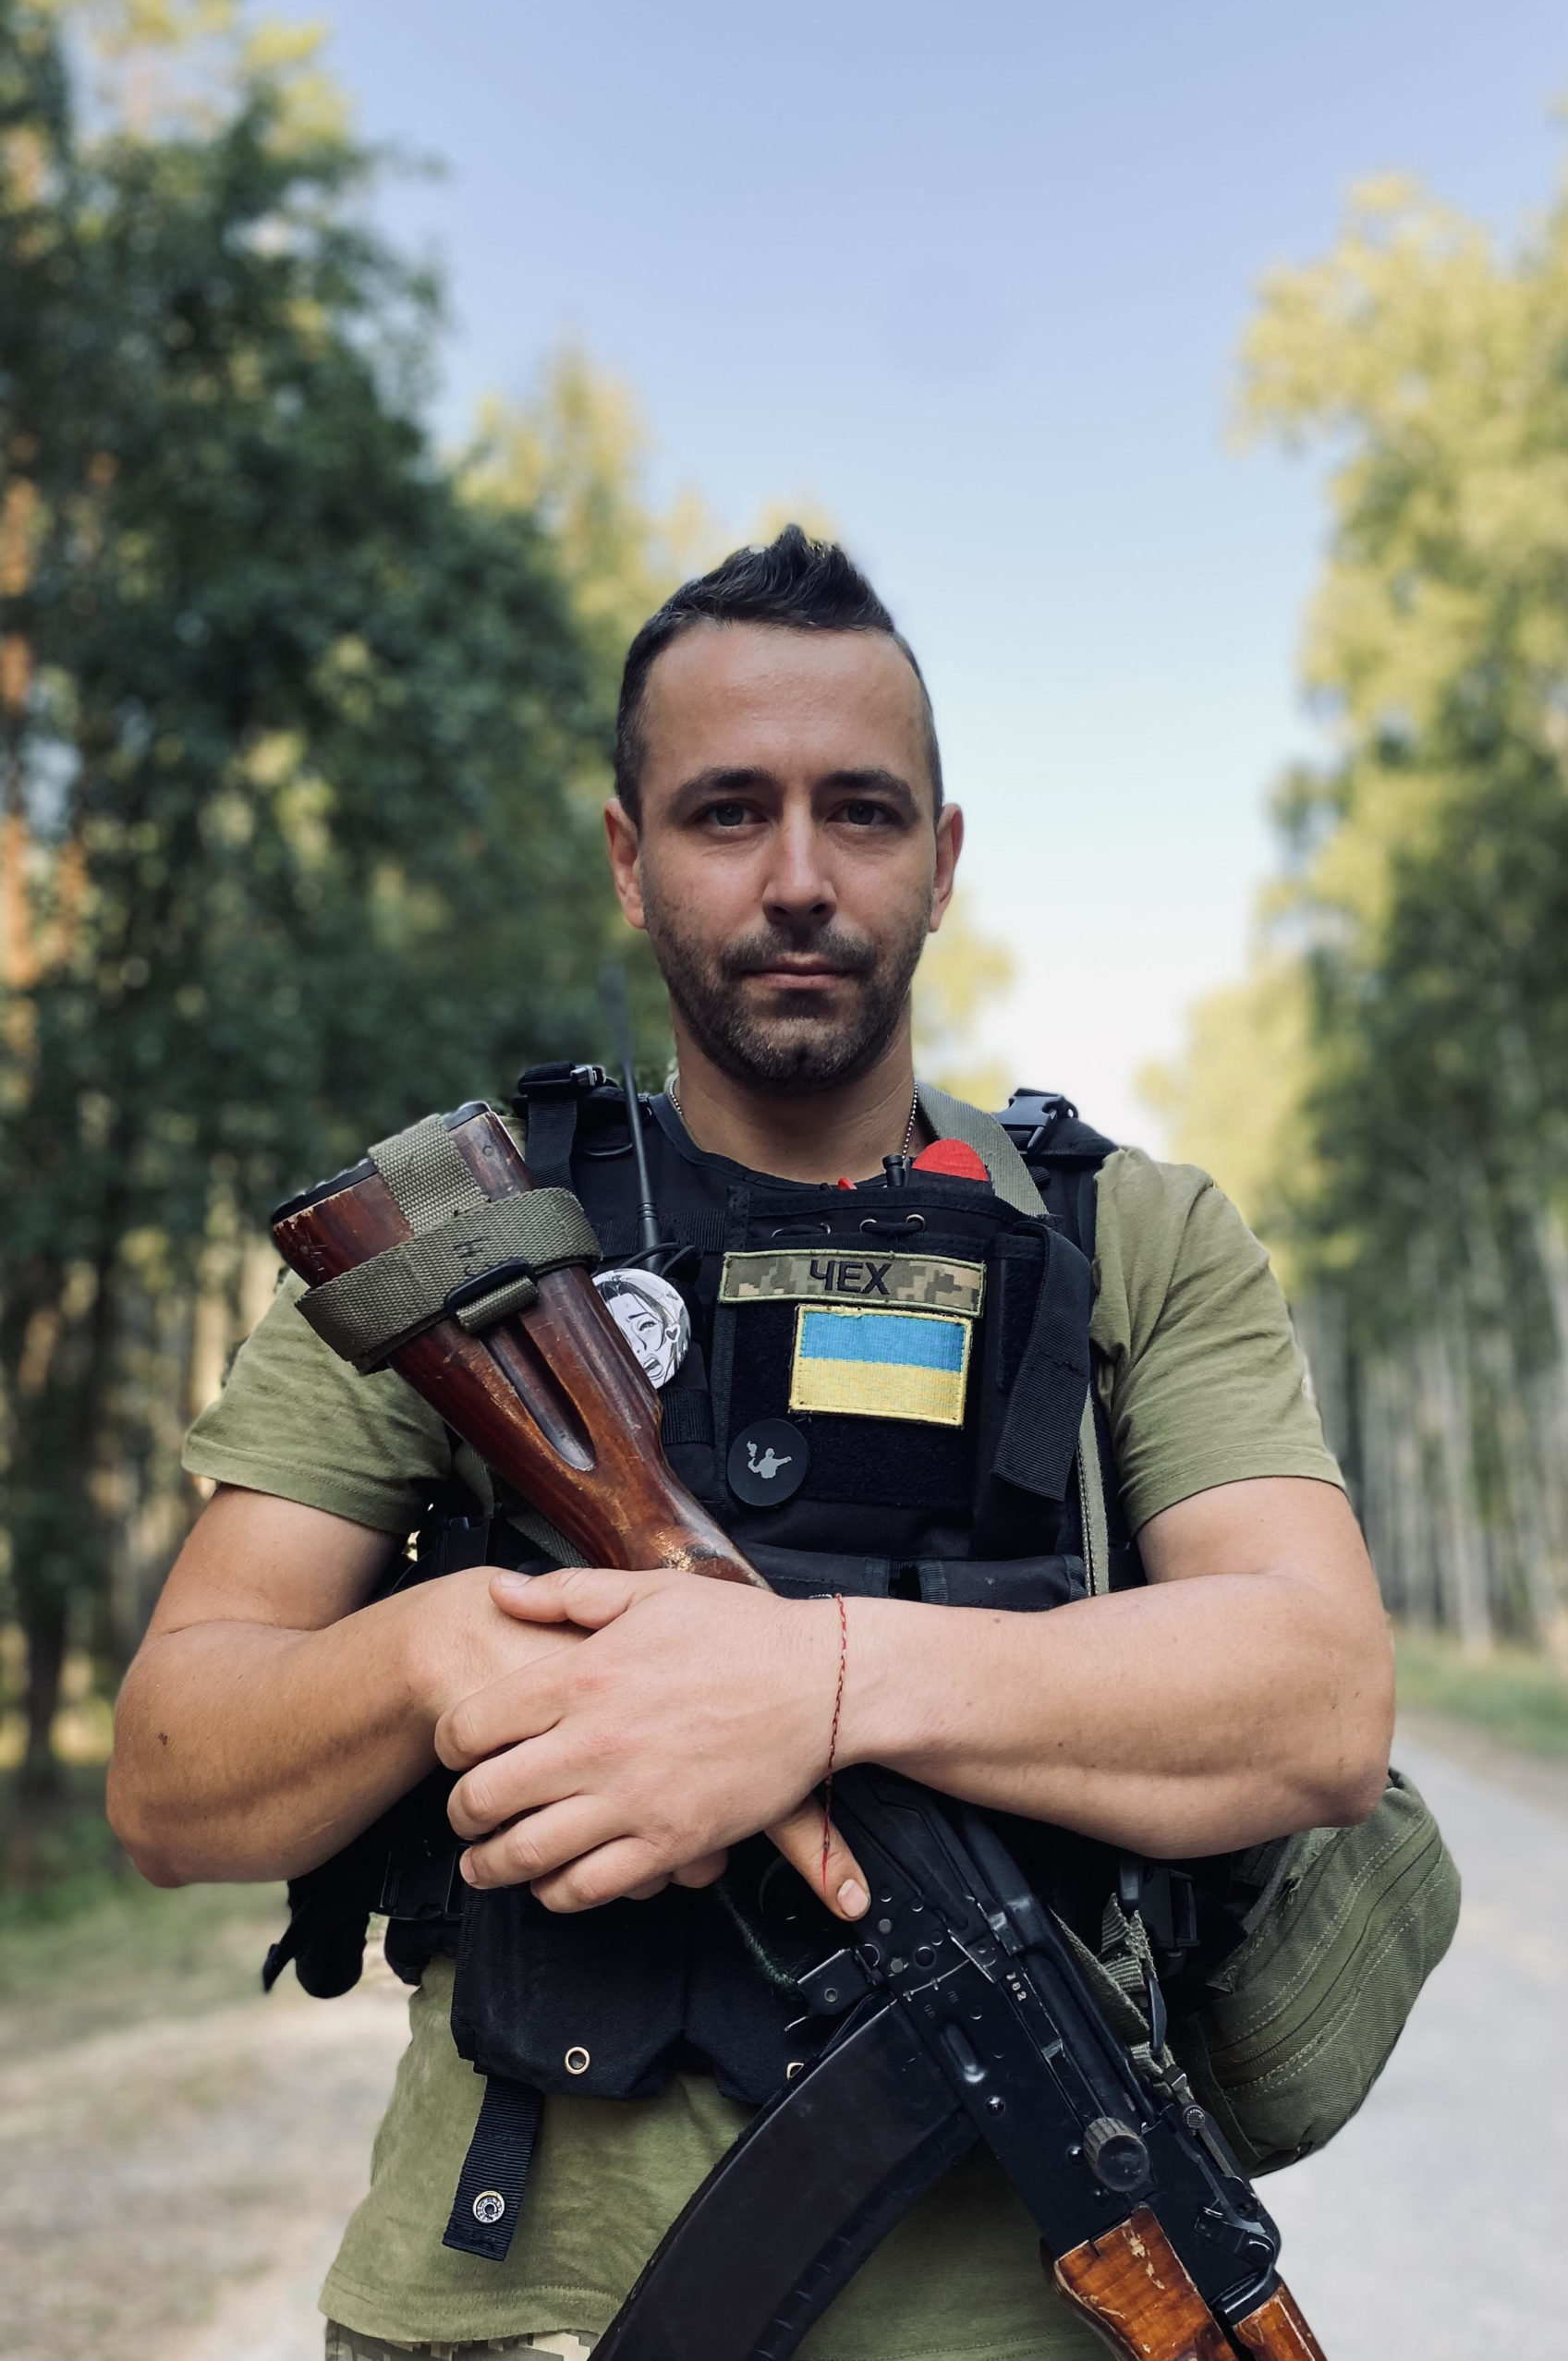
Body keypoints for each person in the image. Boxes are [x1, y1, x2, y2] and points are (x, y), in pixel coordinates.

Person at [108, 528, 1393, 2361]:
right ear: (629, 861)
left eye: (861, 812)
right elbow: (171, 1776)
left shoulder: (1132, 1238)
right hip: (516, 2318)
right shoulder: (467, 1248)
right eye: (727, 813)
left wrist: (822, 1681)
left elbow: (1319, 1696)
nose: (798, 877)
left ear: (942, 861)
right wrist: (439, 1652)